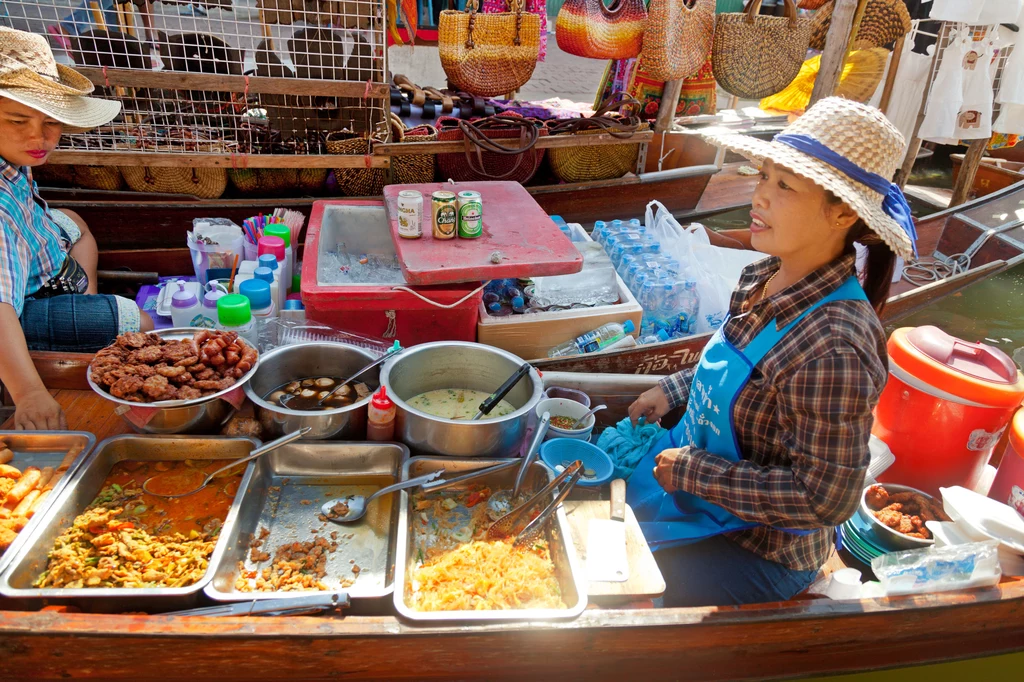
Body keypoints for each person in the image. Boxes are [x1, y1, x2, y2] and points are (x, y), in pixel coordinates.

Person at [626, 97, 918, 607]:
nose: (759, 197)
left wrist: (694, 472)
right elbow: (743, 370)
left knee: (619, 595)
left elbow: (825, 497)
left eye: (785, 186)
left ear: (843, 211)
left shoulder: (836, 346)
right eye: (763, 177)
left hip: (756, 549)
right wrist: (672, 388)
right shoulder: (764, 273)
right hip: (696, 496)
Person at [0, 26, 153, 430]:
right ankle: (88, 321)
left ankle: (85, 304)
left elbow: (57, 224)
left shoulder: (16, 164)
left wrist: (86, 303)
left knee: (76, 223)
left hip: (40, 264)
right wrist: (30, 394)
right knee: (138, 321)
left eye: (52, 122)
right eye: (18, 120)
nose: (39, 137)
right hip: (19, 308)